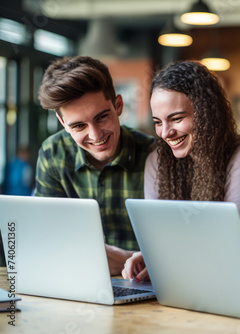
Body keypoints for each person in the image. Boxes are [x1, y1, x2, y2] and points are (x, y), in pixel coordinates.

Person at [122, 61, 240, 281]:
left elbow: (231, 243)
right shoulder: (157, 159)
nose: (166, 132)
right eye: (157, 122)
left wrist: (165, 255)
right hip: (179, 280)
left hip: (231, 282)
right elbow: (157, 238)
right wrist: (149, 256)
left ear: (207, 113)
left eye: (177, 119)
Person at [36, 56, 155, 275]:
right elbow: (48, 238)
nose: (95, 135)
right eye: (79, 125)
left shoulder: (154, 155)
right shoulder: (52, 154)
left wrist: (134, 262)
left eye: (101, 117)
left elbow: (174, 248)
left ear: (118, 105)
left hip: (146, 287)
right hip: (76, 278)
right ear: (63, 123)